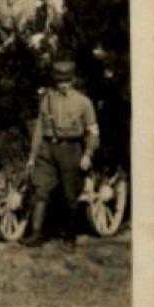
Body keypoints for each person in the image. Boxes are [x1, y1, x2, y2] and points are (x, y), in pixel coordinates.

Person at [23, 60, 100, 247]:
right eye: (59, 81)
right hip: (48, 149)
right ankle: (37, 234)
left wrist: (88, 153)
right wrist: (33, 156)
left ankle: (69, 237)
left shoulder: (83, 102)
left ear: (72, 80)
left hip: (71, 149)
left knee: (69, 195)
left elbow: (93, 132)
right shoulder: (47, 100)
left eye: (66, 81)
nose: (62, 85)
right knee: (41, 190)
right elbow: (40, 129)